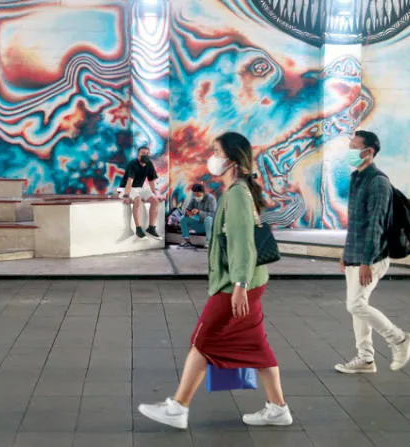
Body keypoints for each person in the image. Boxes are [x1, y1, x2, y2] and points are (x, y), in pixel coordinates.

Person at [137, 132, 292, 429]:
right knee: (256, 346)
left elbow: (243, 242)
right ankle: (278, 408)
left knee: (203, 341)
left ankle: (178, 408)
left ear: (232, 159)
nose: (212, 157)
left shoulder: (237, 194)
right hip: (249, 282)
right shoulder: (239, 190)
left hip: (235, 284)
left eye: (217, 152)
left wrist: (239, 285)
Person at [335, 130, 410, 374]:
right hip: (355, 254)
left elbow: (375, 224)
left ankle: (399, 339)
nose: (349, 151)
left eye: (354, 147)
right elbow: (356, 222)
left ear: (368, 152)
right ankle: (365, 358)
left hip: (371, 257)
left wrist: (366, 261)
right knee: (358, 306)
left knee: (355, 305)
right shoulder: (357, 177)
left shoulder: (378, 182)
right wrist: (346, 253)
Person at [118, 146, 164, 238]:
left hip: (139, 188)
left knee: (155, 200)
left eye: (147, 153)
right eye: (143, 153)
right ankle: (138, 229)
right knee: (137, 199)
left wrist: (156, 194)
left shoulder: (149, 164)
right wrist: (126, 196)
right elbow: (129, 181)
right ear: (138, 155)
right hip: (125, 188)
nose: (145, 155)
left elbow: (151, 181)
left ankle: (151, 228)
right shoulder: (132, 164)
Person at [179, 183, 217, 248]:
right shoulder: (194, 198)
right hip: (198, 224)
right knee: (183, 218)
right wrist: (187, 213)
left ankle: (209, 242)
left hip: (208, 226)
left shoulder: (211, 199)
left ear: (203, 192)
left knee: (209, 218)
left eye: (198, 195)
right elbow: (187, 209)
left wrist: (199, 212)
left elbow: (213, 214)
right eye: (195, 195)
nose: (196, 197)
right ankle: (187, 241)